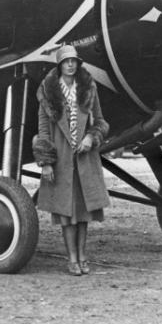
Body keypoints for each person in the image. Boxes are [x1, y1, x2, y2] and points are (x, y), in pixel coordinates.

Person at [32, 45, 110, 276]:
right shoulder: (48, 92)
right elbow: (43, 129)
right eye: (66, 61)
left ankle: (83, 256)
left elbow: (101, 122)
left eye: (74, 61)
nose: (70, 65)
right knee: (66, 213)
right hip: (61, 159)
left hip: (85, 158)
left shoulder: (88, 88)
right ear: (59, 65)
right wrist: (46, 162)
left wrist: (91, 137)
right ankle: (72, 259)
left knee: (84, 211)